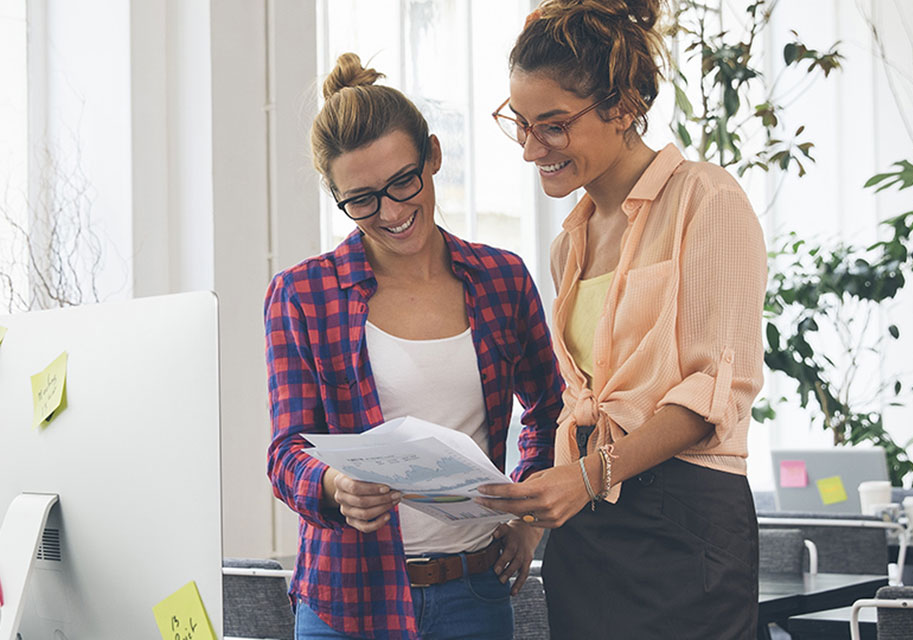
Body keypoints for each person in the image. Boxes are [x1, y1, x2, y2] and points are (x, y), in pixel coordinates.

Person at [476, 1, 767, 638]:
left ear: (625, 106)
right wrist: (534, 515)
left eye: (552, 126)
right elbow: (574, 402)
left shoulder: (706, 200)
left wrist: (587, 476)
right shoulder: (568, 244)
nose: (531, 149)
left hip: (684, 515)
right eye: (520, 125)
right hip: (587, 527)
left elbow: (714, 394)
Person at [264, 52, 563, 640]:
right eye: (363, 200)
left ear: (433, 155)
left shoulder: (501, 279)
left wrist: (527, 516)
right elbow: (286, 451)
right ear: (338, 198)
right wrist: (333, 486)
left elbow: (552, 410)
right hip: (345, 600)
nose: (394, 212)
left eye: (404, 181)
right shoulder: (302, 294)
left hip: (473, 593)